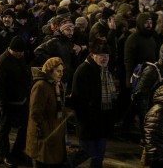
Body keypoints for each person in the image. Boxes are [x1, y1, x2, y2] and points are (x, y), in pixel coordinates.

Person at [71, 38, 117, 168]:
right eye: (102, 55)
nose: (105, 58)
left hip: (102, 123)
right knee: (86, 153)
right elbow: (77, 100)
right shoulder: (83, 71)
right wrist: (85, 121)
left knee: (99, 156)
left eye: (107, 56)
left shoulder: (105, 71)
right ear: (92, 55)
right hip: (88, 123)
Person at [0, 36, 32, 167]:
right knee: (5, 129)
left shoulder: (20, 57)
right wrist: (2, 104)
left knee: (25, 127)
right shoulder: (2, 61)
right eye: (19, 52)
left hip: (22, 100)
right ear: (12, 50)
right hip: (8, 103)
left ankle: (17, 151)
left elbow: (25, 74)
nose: (22, 54)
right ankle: (5, 154)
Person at [25, 57, 68, 168]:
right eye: (58, 71)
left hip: (53, 137)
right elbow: (35, 113)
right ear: (50, 71)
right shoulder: (41, 86)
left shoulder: (55, 84)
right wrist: (47, 131)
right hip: (44, 139)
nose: (61, 74)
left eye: (62, 71)